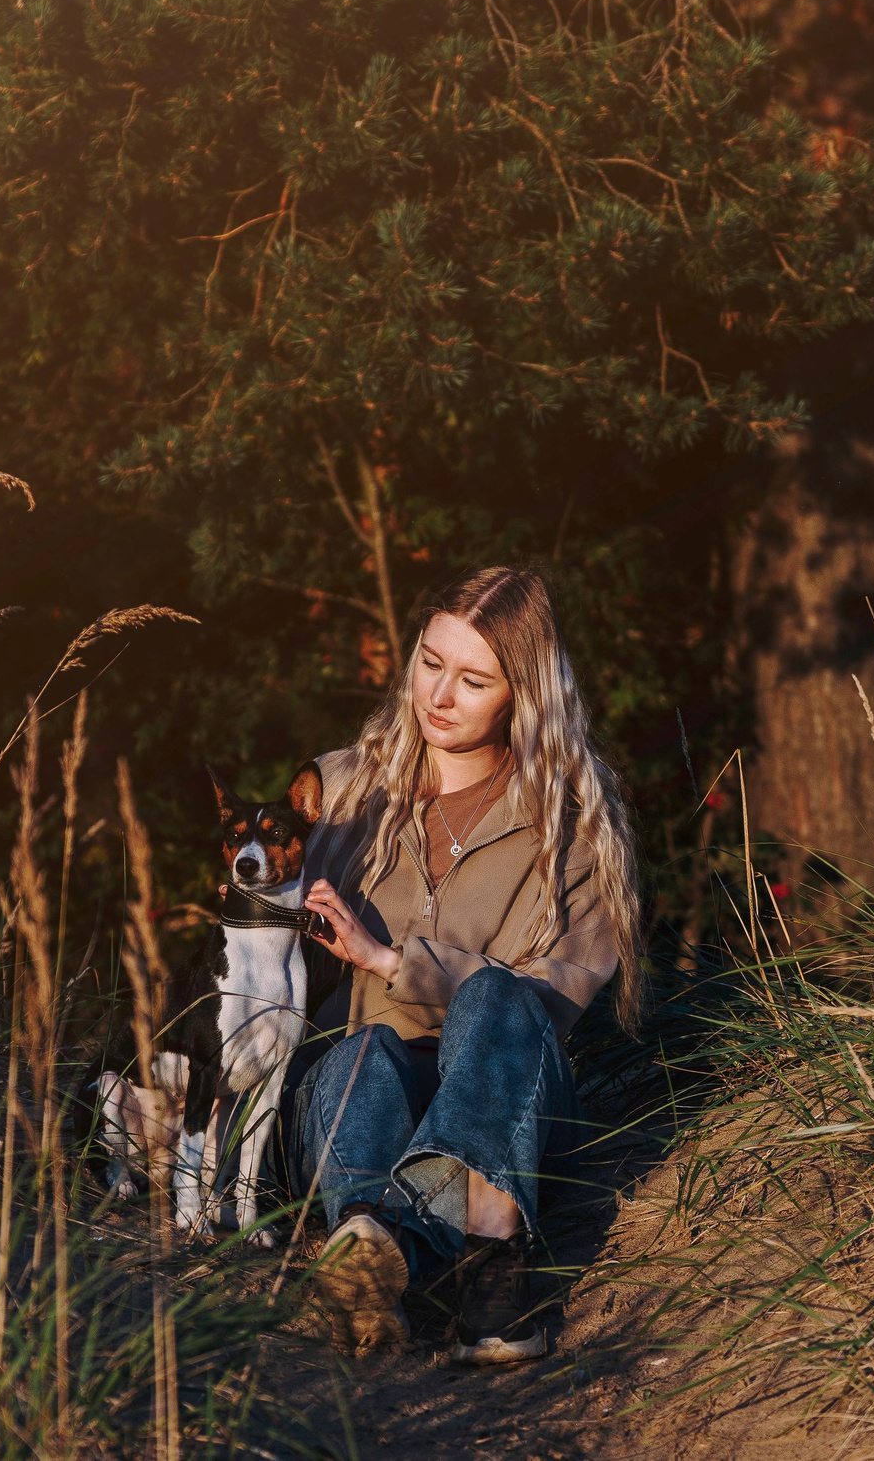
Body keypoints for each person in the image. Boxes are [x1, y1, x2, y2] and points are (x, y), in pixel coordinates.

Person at [291, 566, 641, 1364]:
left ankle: (475, 1255)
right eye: (429, 662)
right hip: (354, 1104)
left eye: (474, 679)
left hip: (501, 1114)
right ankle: (393, 1249)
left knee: (499, 997)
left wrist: (389, 959)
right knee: (362, 1057)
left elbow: (547, 1010)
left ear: (523, 695)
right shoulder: (341, 790)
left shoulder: (573, 835)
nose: (439, 696)